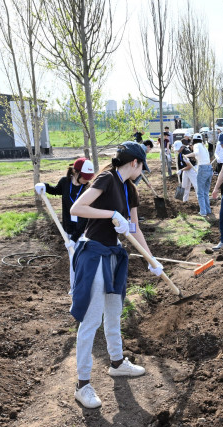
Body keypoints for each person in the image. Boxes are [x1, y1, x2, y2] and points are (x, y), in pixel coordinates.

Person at [68, 141, 162, 408]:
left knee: (113, 311)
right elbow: (77, 209)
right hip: (94, 254)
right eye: (142, 166)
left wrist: (151, 259)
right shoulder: (107, 179)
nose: (141, 172)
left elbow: (134, 228)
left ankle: (117, 362)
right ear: (134, 162)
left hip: (113, 255)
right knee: (91, 319)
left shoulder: (130, 189)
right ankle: (82, 385)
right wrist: (111, 214)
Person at [34, 158, 95, 291]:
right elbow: (55, 190)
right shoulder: (65, 183)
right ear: (75, 172)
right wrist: (44, 186)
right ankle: (75, 289)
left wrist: (74, 239)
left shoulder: (89, 189)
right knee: (73, 261)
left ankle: (85, 288)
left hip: (84, 233)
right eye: (85, 177)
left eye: (89, 177)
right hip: (68, 230)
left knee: (82, 261)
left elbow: (85, 218)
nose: (87, 180)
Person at [184, 133, 214, 216]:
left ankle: (203, 212)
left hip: (203, 168)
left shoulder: (196, 145)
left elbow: (196, 153)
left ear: (193, 140)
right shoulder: (204, 146)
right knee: (205, 192)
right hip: (209, 168)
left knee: (200, 192)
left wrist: (187, 155)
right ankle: (208, 210)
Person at [178, 136, 198, 203]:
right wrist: (181, 170)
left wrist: (181, 170)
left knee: (196, 185)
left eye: (178, 149)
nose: (177, 150)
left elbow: (189, 166)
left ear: (181, 147)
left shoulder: (186, 152)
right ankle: (185, 200)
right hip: (185, 170)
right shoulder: (180, 152)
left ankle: (200, 200)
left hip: (192, 169)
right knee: (185, 185)